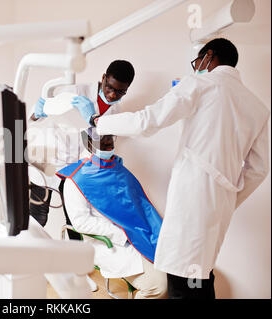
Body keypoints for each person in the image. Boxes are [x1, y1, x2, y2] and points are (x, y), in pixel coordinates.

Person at [73, 38, 270, 298]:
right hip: (220, 203)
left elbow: (147, 122)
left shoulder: (200, 83)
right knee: (200, 273)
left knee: (183, 278)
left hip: (193, 196)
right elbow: (259, 168)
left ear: (208, 57)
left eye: (197, 62)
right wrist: (229, 197)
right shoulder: (258, 107)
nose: (196, 67)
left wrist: (100, 124)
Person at [28, 60, 135, 238]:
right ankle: (26, 255)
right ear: (103, 78)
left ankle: (75, 262)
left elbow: (97, 142)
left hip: (75, 168)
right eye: (109, 87)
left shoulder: (116, 111)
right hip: (49, 160)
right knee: (38, 217)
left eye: (120, 92)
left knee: (75, 221)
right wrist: (37, 112)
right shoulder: (75, 93)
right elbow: (38, 116)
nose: (112, 95)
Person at [56, 128, 167, 299]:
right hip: (113, 242)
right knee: (159, 286)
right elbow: (81, 222)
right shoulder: (76, 180)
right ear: (88, 143)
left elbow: (140, 206)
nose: (108, 142)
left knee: (177, 270)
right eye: (102, 139)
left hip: (139, 233)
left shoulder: (118, 169)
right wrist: (121, 233)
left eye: (110, 137)